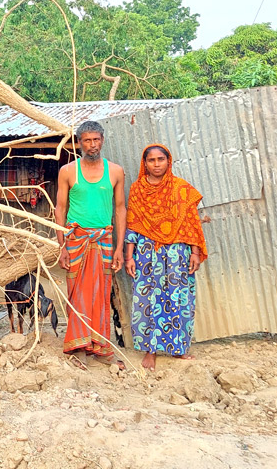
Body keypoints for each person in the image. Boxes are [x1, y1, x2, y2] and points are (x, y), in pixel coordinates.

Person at [123, 144, 208, 372]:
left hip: (177, 253)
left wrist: (196, 252)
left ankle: (178, 348)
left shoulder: (181, 189)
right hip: (147, 254)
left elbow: (191, 222)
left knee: (178, 298)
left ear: (168, 162)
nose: (157, 164)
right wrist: (129, 257)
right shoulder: (138, 189)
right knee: (148, 299)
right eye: (152, 160)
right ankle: (150, 351)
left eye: (161, 159)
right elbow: (132, 225)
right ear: (145, 163)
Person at [54, 121, 126, 368]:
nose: (92, 145)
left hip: (104, 241)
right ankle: (78, 347)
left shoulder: (115, 171)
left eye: (96, 139)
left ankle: (100, 347)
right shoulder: (68, 171)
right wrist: (61, 245)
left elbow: (119, 209)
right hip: (76, 241)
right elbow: (61, 208)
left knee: (100, 293)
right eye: (87, 140)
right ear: (79, 143)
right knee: (77, 295)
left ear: (103, 140)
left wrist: (119, 248)